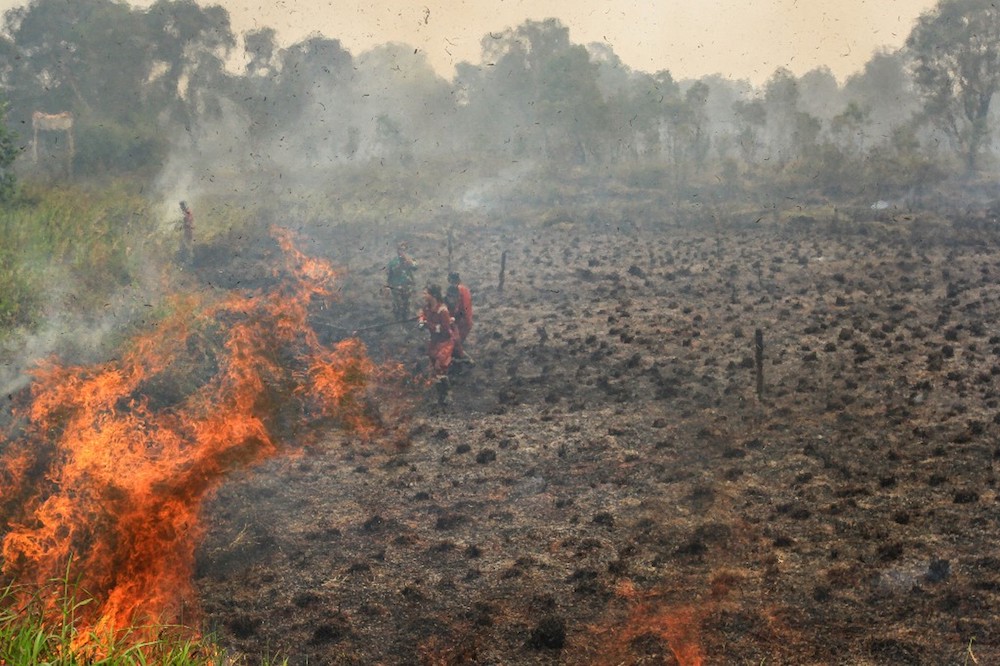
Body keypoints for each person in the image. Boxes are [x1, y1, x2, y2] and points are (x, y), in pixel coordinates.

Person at [418, 283, 456, 405]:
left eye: (426, 293)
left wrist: (429, 325)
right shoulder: (428, 307)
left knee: (440, 366)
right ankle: (440, 395)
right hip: (434, 341)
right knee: (434, 366)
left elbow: (444, 329)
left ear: (433, 295)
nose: (423, 295)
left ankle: (447, 394)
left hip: (444, 342)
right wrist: (421, 321)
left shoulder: (442, 310)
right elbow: (423, 315)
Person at [445, 271, 473, 363]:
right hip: (461, 319)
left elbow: (463, 308)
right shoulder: (461, 289)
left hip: (462, 320)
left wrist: (455, 318)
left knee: (456, 341)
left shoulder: (460, 291)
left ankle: (465, 360)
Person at [386, 242, 417, 320]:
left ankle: (406, 320)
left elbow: (415, 267)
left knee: (407, 305)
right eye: (400, 249)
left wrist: (408, 261)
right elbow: (389, 274)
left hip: (407, 286)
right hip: (396, 287)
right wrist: (388, 286)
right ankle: (398, 321)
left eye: (404, 250)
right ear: (397, 250)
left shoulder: (410, 260)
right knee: (398, 305)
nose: (402, 251)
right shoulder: (393, 262)